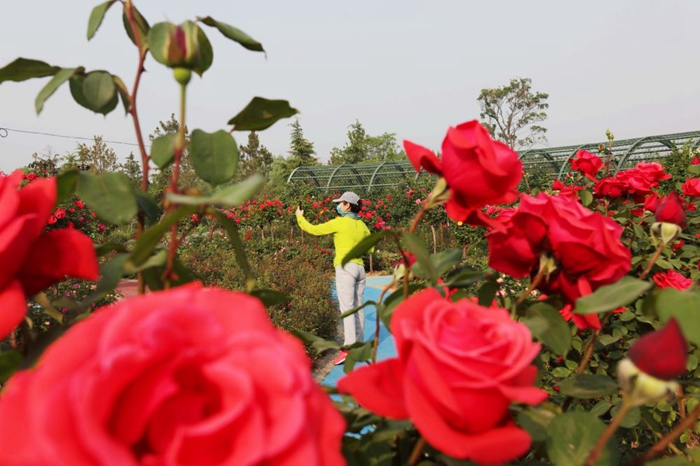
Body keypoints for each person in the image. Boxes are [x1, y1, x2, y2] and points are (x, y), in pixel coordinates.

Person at [295, 191, 372, 365]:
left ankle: (349, 349)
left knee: (347, 308)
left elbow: (313, 230)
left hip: (345, 268)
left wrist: (300, 217)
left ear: (348, 205)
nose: (338, 205)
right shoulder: (363, 226)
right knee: (358, 306)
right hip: (360, 268)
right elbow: (371, 249)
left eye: (341, 202)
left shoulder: (339, 223)